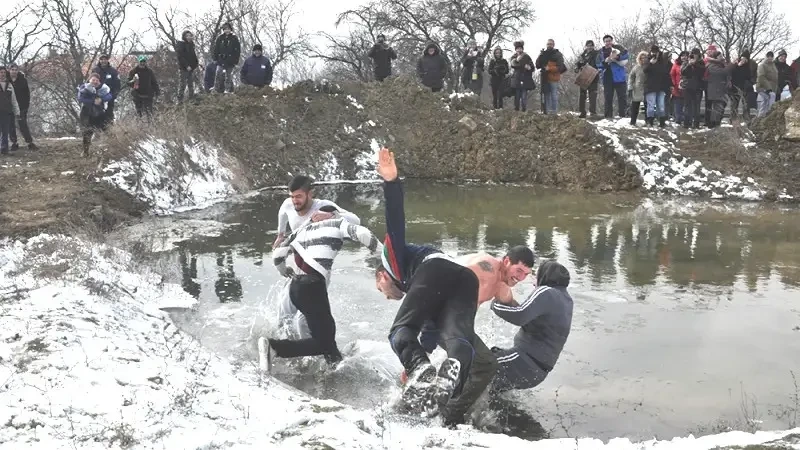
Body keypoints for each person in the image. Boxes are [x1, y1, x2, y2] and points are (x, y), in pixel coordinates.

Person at [374, 147, 535, 417]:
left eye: (382, 290)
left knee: (400, 332)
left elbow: (395, 226)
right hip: (461, 282)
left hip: (437, 272)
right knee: (460, 344)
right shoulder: (493, 277)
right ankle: (445, 386)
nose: (388, 295)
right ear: (508, 262)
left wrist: (391, 183)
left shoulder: (393, 259)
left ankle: (421, 372)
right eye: (518, 272)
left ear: (382, 275)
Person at [414, 248, 536, 427]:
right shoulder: (484, 272)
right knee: (486, 365)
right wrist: (426, 344)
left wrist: (539, 323)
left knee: (475, 362)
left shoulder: (501, 282)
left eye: (526, 274)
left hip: (452, 323)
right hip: (439, 319)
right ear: (507, 261)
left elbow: (515, 309)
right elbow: (440, 289)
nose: (521, 278)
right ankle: (449, 416)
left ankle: (432, 396)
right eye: (519, 271)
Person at [261, 205, 383, 369]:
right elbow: (362, 233)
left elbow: (277, 254)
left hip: (295, 287)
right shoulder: (338, 223)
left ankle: (334, 369)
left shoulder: (303, 229)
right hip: (312, 286)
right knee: (324, 343)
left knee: (326, 340)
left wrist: (284, 270)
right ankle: (274, 347)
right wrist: (383, 256)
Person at [272, 175, 361, 339]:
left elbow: (356, 220)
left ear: (310, 194)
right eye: (292, 197)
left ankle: (312, 352)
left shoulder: (324, 206)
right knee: (283, 312)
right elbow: (283, 212)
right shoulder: (288, 204)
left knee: (303, 320)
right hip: (298, 267)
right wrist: (281, 234)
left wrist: (332, 216)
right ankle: (286, 347)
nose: (295, 201)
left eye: (299, 196)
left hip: (318, 270)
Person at [489, 260, 573, 395]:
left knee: (478, 365)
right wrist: (510, 302)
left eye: (536, 276)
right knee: (489, 389)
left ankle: (449, 410)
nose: (533, 281)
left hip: (524, 360)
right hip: (536, 372)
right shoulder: (565, 299)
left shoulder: (546, 291)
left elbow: (519, 316)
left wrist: (495, 302)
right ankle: (481, 411)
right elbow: (529, 319)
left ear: (545, 276)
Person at [76, 73, 113, 157]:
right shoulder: (84, 87)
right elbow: (80, 98)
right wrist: (93, 101)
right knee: (87, 132)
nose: (95, 82)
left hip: (100, 113)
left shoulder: (103, 88)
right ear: (89, 80)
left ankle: (109, 149)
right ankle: (86, 151)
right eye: (93, 80)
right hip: (87, 113)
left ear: (99, 81)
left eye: (96, 80)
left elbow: (110, 96)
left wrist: (101, 99)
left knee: (106, 130)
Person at [595, 34, 629, 119]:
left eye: (609, 41)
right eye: (606, 41)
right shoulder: (600, 52)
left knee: (622, 98)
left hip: (620, 77)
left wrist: (617, 57)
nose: (608, 43)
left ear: (612, 41)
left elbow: (627, 55)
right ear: (604, 42)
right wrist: (605, 62)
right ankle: (608, 117)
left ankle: (623, 116)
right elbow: (598, 64)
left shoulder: (618, 47)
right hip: (607, 77)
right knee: (608, 98)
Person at [8, 64, 38, 150]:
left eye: (15, 69)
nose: (14, 71)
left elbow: (27, 94)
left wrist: (25, 106)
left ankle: (29, 142)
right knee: (11, 125)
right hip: (9, 107)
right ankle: (14, 143)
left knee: (23, 124)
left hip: (21, 107)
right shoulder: (6, 81)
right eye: (12, 69)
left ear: (17, 71)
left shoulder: (22, 80)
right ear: (9, 70)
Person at [643, 45, 672, 128]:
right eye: (653, 51)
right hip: (650, 86)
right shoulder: (648, 60)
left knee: (661, 105)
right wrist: (651, 64)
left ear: (659, 53)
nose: (654, 53)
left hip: (661, 86)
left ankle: (662, 122)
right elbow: (645, 70)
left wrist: (670, 85)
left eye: (656, 52)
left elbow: (666, 74)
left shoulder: (663, 61)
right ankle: (650, 122)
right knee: (651, 105)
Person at [535, 39, 567, 115]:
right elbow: (537, 65)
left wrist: (550, 68)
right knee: (546, 95)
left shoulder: (557, 54)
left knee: (554, 94)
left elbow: (561, 67)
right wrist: (540, 55)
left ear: (554, 45)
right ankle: (547, 111)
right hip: (544, 77)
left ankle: (554, 111)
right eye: (548, 44)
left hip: (553, 77)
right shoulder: (543, 53)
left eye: (551, 44)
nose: (549, 45)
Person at [127, 55, 160, 120]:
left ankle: (150, 127)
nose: (142, 63)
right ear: (138, 62)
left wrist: (157, 92)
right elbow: (128, 83)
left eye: (144, 61)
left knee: (149, 113)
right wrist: (133, 81)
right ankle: (139, 127)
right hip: (137, 95)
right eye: (141, 61)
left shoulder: (149, 71)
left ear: (146, 62)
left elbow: (154, 82)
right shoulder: (133, 71)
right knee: (139, 113)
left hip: (148, 95)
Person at [213, 22, 241, 94]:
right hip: (221, 59)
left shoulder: (234, 38)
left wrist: (236, 61)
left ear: (230, 29)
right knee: (218, 73)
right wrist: (215, 59)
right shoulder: (220, 38)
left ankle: (227, 89)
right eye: (225, 29)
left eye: (228, 29)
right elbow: (216, 49)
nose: (227, 31)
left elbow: (237, 51)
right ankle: (216, 88)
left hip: (230, 60)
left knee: (228, 75)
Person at [681, 48, 706, 129]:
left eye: (695, 54)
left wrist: (695, 64)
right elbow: (683, 72)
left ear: (698, 55)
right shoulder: (686, 62)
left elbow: (701, 72)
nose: (693, 55)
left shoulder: (701, 63)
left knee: (696, 107)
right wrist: (689, 64)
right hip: (688, 87)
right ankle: (686, 124)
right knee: (687, 106)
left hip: (698, 88)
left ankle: (696, 124)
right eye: (692, 54)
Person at [93, 55, 121, 125]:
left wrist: (114, 95)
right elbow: (90, 83)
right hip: (97, 97)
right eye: (101, 59)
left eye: (105, 59)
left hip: (110, 96)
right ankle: (98, 130)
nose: (103, 61)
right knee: (97, 115)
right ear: (99, 60)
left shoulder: (113, 71)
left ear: (107, 60)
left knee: (109, 115)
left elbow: (117, 85)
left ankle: (110, 130)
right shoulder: (95, 70)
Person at [575, 40, 599, 118]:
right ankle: (582, 112)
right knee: (582, 95)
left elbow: (599, 63)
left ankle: (592, 112)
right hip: (584, 76)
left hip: (593, 75)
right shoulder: (582, 55)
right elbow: (578, 64)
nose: (589, 47)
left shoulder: (597, 54)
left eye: (591, 45)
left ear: (593, 46)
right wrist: (577, 68)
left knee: (593, 95)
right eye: (588, 45)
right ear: (586, 46)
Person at [0, 66, 21, 156]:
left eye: (4, 72)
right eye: (1, 72)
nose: (3, 74)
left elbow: (14, 100)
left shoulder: (9, 85)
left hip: (7, 111)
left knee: (5, 131)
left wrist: (17, 112)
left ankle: (4, 149)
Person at [509, 41, 535, 112]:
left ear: (522, 49)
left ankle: (524, 109)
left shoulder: (527, 56)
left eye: (520, 48)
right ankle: (516, 109)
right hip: (517, 78)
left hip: (525, 78)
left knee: (524, 96)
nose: (519, 50)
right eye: (517, 48)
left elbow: (532, 67)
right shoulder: (513, 57)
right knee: (517, 95)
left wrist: (529, 67)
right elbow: (513, 64)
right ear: (515, 49)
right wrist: (518, 62)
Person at [176, 30, 199, 103]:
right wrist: (187, 65)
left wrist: (196, 63)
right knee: (182, 84)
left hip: (191, 68)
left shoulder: (192, 45)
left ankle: (191, 99)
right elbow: (180, 57)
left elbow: (193, 56)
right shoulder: (181, 44)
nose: (189, 37)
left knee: (191, 84)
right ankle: (180, 100)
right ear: (184, 37)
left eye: (190, 36)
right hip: (183, 68)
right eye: (187, 36)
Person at [756, 51, 778, 118]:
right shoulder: (762, 65)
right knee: (771, 96)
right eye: (768, 57)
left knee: (765, 100)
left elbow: (775, 77)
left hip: (772, 87)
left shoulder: (773, 65)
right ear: (766, 57)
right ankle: (769, 113)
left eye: (771, 57)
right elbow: (761, 77)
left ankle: (760, 116)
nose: (770, 58)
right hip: (762, 87)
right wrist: (768, 88)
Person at [628, 52, 647, 126]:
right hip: (637, 89)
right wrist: (630, 87)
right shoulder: (636, 67)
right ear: (639, 59)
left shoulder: (650, 66)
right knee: (635, 107)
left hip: (647, 89)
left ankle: (648, 122)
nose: (643, 59)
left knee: (648, 106)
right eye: (642, 58)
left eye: (645, 57)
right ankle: (633, 122)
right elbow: (631, 77)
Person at [671, 51, 687, 125]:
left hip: (687, 88)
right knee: (677, 105)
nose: (684, 57)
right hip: (677, 88)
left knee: (685, 105)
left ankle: (684, 119)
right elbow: (672, 75)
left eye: (686, 56)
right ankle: (678, 120)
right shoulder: (676, 65)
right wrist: (674, 85)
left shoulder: (689, 65)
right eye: (683, 55)